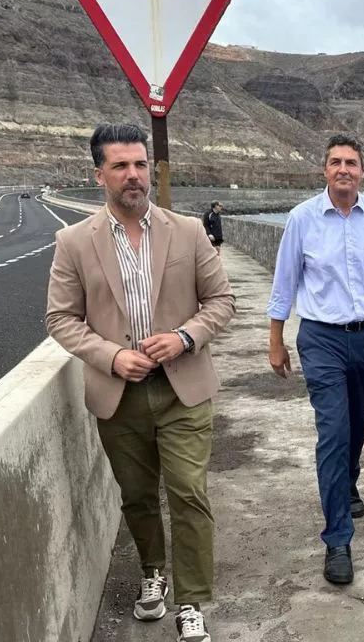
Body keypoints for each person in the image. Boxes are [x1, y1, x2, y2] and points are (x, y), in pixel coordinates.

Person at [45, 123, 235, 642]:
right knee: (137, 495)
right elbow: (61, 318)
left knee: (189, 493)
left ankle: (191, 601)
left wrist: (184, 337)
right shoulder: (73, 242)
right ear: (99, 175)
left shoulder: (189, 231)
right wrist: (109, 356)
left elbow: (222, 302)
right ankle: (154, 573)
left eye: (140, 165)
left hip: (183, 389)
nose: (134, 176)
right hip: (119, 395)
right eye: (121, 166)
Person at [266, 134, 364, 585]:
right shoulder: (302, 219)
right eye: (335, 162)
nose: (344, 169)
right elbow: (284, 282)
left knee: (358, 420)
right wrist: (276, 340)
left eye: (351, 162)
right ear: (324, 170)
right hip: (321, 339)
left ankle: (347, 481)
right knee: (333, 431)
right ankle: (338, 541)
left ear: (363, 172)